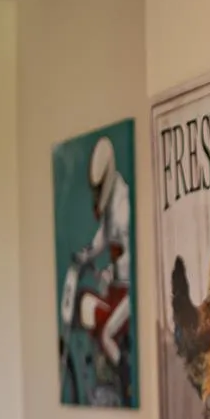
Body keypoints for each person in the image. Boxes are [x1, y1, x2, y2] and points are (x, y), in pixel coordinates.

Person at [73, 136, 133, 373]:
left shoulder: (122, 206)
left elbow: (127, 251)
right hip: (116, 284)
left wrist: (112, 269)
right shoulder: (111, 206)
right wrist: (84, 256)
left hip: (126, 288)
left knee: (106, 334)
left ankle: (125, 374)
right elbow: (102, 238)